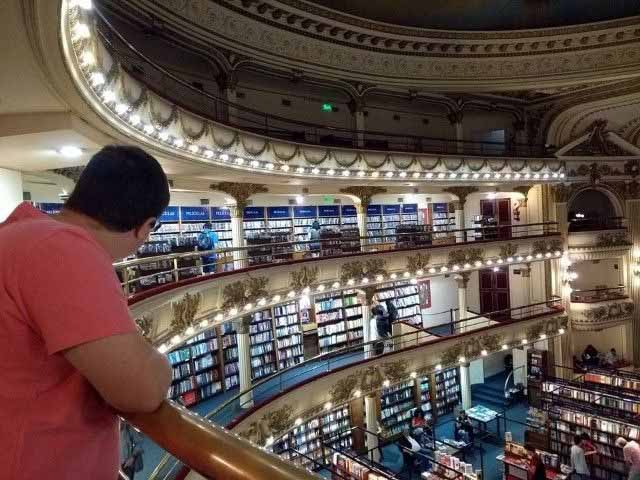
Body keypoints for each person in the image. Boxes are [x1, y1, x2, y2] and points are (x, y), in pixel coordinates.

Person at [0, 145, 172, 480]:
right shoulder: (64, 250)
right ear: (146, 226)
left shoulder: (16, 234)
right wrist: (160, 363)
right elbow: (141, 390)